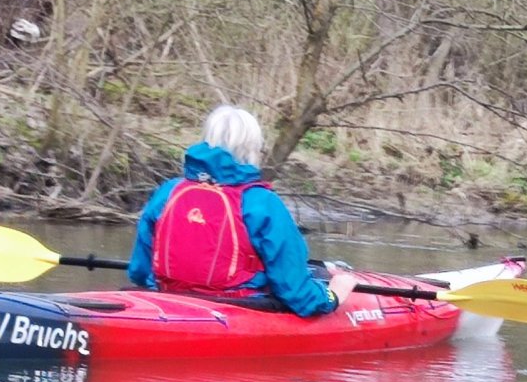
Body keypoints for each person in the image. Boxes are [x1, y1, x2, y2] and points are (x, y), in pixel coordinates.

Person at [127, 105, 356, 317]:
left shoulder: (167, 192)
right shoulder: (262, 202)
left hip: (168, 301)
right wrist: (333, 295)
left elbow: (140, 272)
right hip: (239, 308)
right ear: (252, 148)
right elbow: (298, 295)